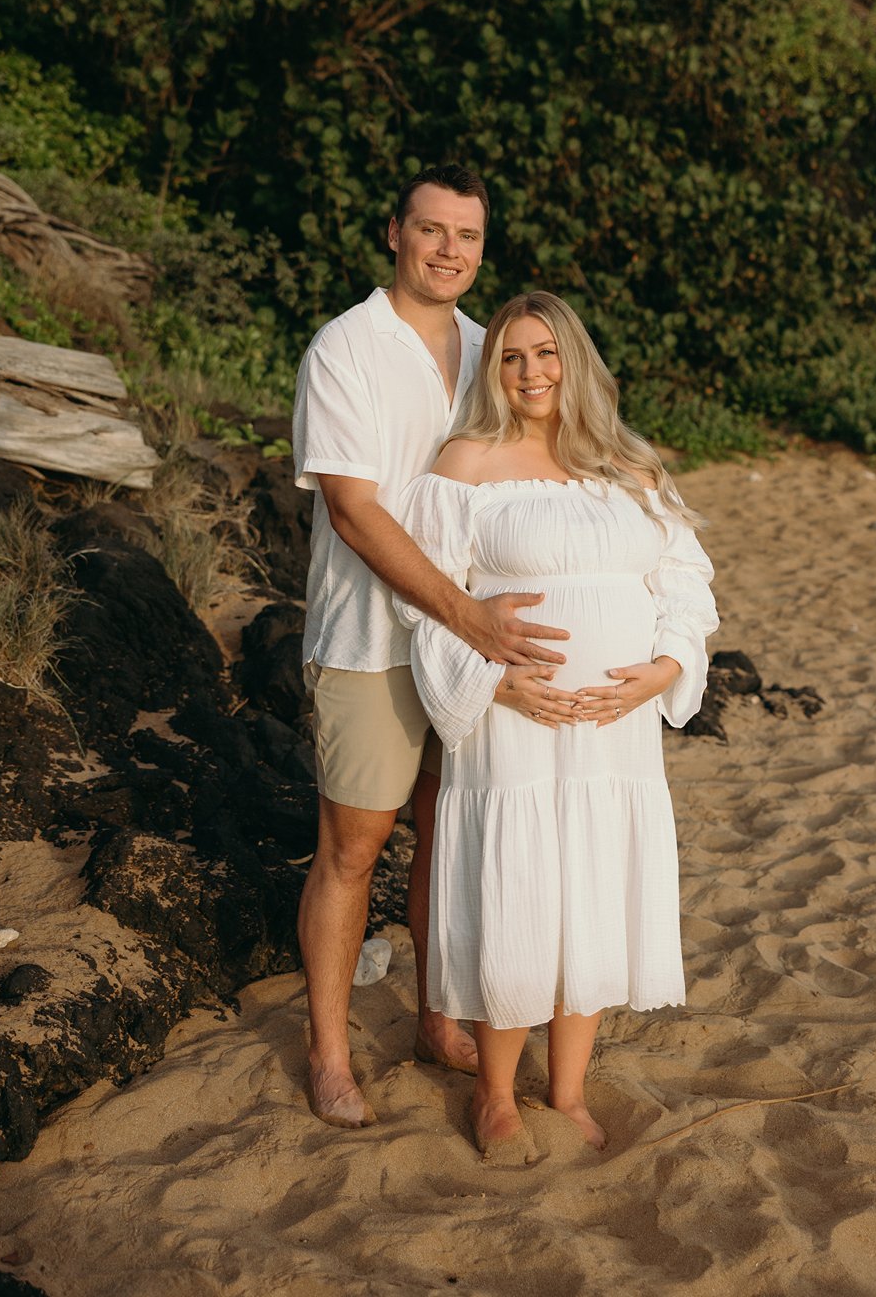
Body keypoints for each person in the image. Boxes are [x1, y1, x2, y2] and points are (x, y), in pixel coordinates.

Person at [394, 290, 718, 1162]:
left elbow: (685, 581)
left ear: (575, 361)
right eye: (511, 357)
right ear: (493, 371)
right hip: (515, 725)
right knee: (521, 891)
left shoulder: (629, 466)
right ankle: (496, 1094)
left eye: (545, 354)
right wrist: (497, 684)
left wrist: (661, 670)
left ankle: (566, 1090)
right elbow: (429, 602)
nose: (531, 373)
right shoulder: (466, 462)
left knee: (594, 893)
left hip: (616, 729)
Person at [291, 168, 572, 1129]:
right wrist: (469, 618)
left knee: (450, 838)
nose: (450, 250)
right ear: (394, 235)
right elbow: (353, 510)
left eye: (468, 235)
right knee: (354, 848)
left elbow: (539, 475)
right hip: (372, 639)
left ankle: (434, 1019)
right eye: (432, 230)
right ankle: (330, 1055)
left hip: (470, 652)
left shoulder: (497, 351)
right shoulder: (346, 348)